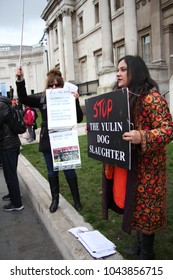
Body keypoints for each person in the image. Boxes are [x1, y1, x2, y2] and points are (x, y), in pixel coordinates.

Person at [102, 55, 173, 260]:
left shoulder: (152, 98)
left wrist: (142, 136)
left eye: (123, 69)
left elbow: (168, 130)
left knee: (147, 211)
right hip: (131, 166)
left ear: (135, 71)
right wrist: (98, 130)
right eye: (117, 69)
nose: (118, 73)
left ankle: (147, 253)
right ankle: (140, 245)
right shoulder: (121, 97)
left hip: (150, 169)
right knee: (135, 207)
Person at [15, 67, 83, 213]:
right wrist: (20, 81)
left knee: (69, 171)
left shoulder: (68, 97)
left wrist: (76, 101)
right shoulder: (42, 99)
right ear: (47, 86)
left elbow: (78, 118)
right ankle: (55, 200)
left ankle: (77, 200)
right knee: (52, 172)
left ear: (62, 86)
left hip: (64, 139)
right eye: (51, 85)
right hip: (48, 139)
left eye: (57, 85)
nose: (54, 87)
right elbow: (24, 99)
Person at [0, 96, 24, 211]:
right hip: (12, 144)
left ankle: (16, 203)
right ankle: (14, 194)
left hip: (7, 145)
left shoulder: (1, 106)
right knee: (11, 173)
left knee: (10, 174)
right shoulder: (7, 104)